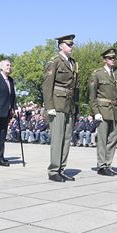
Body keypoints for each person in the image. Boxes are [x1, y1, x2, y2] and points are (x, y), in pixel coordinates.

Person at [42, 34, 79, 182]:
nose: (71, 47)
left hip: (68, 104)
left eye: (72, 44)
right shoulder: (55, 62)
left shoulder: (73, 63)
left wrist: (76, 107)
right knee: (57, 139)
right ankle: (53, 170)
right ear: (61, 46)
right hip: (57, 103)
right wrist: (49, 106)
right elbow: (47, 85)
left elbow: (75, 87)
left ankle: (61, 169)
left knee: (66, 138)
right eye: (69, 44)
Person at [89, 48, 117, 176]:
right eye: (110, 58)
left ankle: (108, 164)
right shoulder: (97, 74)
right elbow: (92, 95)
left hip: (115, 110)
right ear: (105, 59)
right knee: (102, 139)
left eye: (114, 58)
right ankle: (101, 165)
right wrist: (95, 111)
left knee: (113, 139)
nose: (112, 60)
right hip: (102, 109)